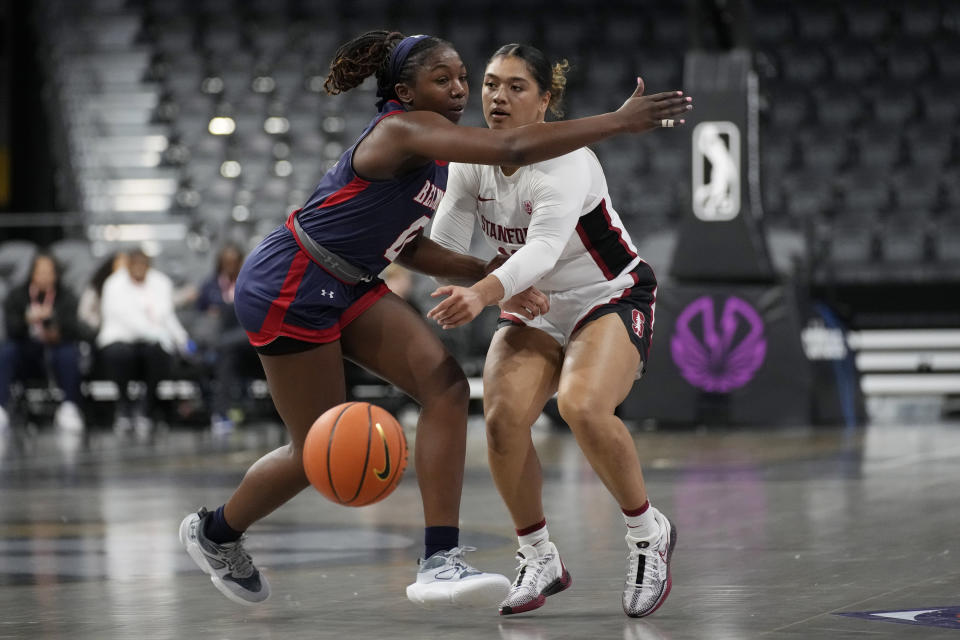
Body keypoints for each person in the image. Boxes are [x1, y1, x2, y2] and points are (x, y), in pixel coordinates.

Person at [177, 30, 692, 608]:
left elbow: (415, 246)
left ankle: (441, 560)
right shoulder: (407, 130)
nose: (467, 92)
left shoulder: (481, 152)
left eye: (469, 81)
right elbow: (508, 158)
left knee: (447, 388)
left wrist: (487, 280)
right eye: (456, 81)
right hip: (293, 283)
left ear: (544, 99)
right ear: (404, 90)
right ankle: (216, 533)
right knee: (315, 452)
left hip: (561, 292)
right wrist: (620, 121)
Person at [428, 44, 683, 618]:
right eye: (491, 84)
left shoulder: (569, 160)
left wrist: (487, 289)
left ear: (545, 102)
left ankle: (648, 534)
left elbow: (543, 249)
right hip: (533, 302)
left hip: (608, 293)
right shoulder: (470, 158)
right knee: (499, 420)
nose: (498, 96)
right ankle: (537, 554)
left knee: (583, 406)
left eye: (517, 87)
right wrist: (479, 278)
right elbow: (445, 244)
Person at [97, 248, 190, 433]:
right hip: (120, 337)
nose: (139, 269)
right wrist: (156, 333)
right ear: (128, 265)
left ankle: (146, 407)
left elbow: (167, 316)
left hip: (150, 343)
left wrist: (182, 339)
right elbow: (126, 318)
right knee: (119, 354)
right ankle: (124, 406)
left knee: (158, 353)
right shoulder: (113, 284)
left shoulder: (161, 282)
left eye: (143, 265)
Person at [0, 252, 85, 433]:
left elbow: (75, 328)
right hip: (27, 349)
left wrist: (56, 328)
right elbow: (11, 328)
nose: (45, 276)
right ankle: (1, 407)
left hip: (56, 348)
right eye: (40, 272)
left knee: (69, 352)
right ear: (32, 273)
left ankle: (69, 407)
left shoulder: (66, 296)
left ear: (56, 274)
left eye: (49, 272)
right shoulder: (18, 295)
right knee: (7, 351)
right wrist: (27, 320)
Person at [193, 243, 258, 434]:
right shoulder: (209, 285)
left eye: (233, 262)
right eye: (226, 263)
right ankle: (221, 413)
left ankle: (218, 347)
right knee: (227, 356)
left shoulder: (251, 282)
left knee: (226, 346)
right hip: (227, 345)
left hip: (250, 341)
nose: (230, 266)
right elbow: (200, 314)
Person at [77, 251, 128, 340]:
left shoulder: (130, 289)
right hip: (99, 332)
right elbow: (84, 313)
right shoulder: (96, 287)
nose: (122, 270)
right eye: (119, 265)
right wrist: (101, 324)